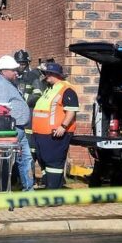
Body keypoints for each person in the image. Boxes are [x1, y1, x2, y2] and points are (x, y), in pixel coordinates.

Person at [0, 55, 34, 192]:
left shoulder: (8, 84)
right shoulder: (1, 86)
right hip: (12, 129)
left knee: (25, 159)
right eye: (14, 70)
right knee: (8, 161)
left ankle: (28, 190)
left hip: (19, 128)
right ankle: (4, 189)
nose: (17, 72)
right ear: (4, 70)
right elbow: (1, 111)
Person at [32, 62, 79, 190]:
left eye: (47, 74)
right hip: (42, 134)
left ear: (55, 74)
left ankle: (53, 193)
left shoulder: (66, 89)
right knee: (44, 161)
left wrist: (63, 127)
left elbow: (71, 111)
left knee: (54, 163)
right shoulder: (50, 88)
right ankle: (48, 189)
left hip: (55, 133)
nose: (45, 77)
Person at [13, 49, 47, 185]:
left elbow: (38, 94)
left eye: (22, 63)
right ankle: (18, 179)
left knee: (30, 150)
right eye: (18, 63)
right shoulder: (15, 76)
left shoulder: (33, 76)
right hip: (18, 116)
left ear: (27, 63)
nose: (20, 66)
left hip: (31, 116)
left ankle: (30, 179)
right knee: (17, 148)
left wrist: (23, 100)